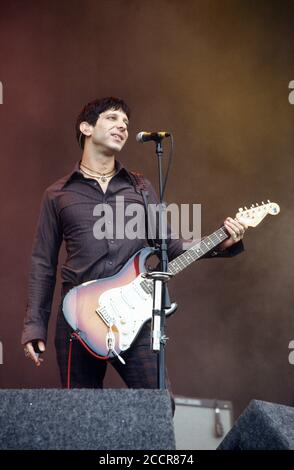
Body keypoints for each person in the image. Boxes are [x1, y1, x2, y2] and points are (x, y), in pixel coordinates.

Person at [22, 96, 247, 398]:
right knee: (79, 418)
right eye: (112, 118)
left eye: (126, 123)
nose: (122, 127)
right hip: (78, 316)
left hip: (135, 316)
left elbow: (171, 247)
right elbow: (42, 264)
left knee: (158, 406)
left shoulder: (140, 188)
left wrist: (223, 241)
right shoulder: (58, 194)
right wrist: (35, 326)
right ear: (86, 127)